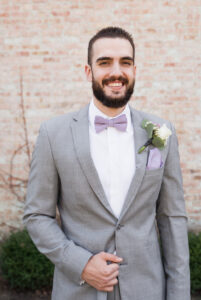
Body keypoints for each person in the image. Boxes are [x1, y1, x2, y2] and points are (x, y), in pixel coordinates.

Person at [23, 27, 190, 300]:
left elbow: (172, 218)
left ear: (134, 70)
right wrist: (81, 264)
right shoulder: (53, 134)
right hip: (79, 292)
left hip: (147, 291)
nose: (116, 72)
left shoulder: (160, 133)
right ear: (88, 72)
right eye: (104, 62)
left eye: (125, 62)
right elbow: (37, 215)